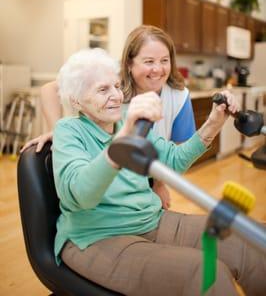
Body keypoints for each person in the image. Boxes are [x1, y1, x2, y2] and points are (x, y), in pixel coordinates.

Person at [52, 48, 265, 296]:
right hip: (97, 237)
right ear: (76, 101)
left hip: (152, 221)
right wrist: (125, 136)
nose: (116, 96)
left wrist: (214, 123)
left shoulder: (126, 120)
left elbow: (173, 162)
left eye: (117, 86)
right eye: (102, 90)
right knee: (205, 273)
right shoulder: (69, 130)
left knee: (250, 237)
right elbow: (80, 194)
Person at [21, 25, 196, 209]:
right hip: (103, 172)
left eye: (164, 60)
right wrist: (57, 131)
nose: (158, 69)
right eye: (149, 61)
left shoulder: (178, 97)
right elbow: (50, 89)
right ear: (129, 63)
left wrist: (160, 184)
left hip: (145, 175)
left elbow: (173, 153)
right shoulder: (111, 80)